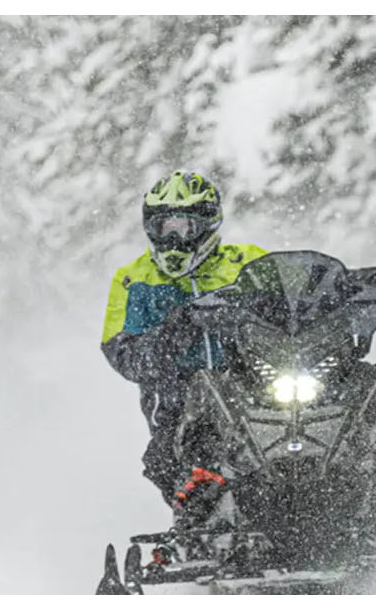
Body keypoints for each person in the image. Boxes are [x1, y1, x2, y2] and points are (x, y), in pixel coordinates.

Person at [101, 170, 266, 514]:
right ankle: (199, 517)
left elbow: (294, 293)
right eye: (165, 228)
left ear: (207, 225)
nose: (174, 239)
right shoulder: (133, 280)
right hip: (178, 411)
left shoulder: (247, 262)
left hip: (258, 391)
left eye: (185, 227)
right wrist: (173, 333)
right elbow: (125, 355)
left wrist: (342, 289)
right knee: (173, 456)